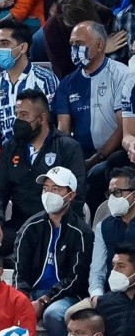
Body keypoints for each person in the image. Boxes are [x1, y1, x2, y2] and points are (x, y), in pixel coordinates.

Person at [0, 89, 87, 254]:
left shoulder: (68, 147)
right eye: (17, 115)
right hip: (19, 224)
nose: (18, 120)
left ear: (42, 118)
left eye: (24, 115)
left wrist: (64, 228)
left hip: (57, 225)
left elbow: (76, 194)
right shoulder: (10, 147)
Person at [55, 21, 133, 212]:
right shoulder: (67, 83)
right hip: (81, 154)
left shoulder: (120, 74)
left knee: (96, 175)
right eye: (72, 44)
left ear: (99, 45)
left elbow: (122, 126)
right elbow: (63, 129)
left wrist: (98, 157)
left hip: (111, 154)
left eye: (79, 44)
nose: (74, 49)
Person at [12, 166, 93, 336]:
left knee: (53, 314)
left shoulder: (81, 232)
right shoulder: (30, 227)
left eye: (56, 189)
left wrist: (44, 299)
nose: (49, 193)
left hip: (65, 296)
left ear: (71, 195)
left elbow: (76, 278)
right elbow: (20, 269)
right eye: (45, 188)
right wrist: (24, 298)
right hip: (30, 293)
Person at [0, 18, 58, 142]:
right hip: (4, 154)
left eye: (5, 43)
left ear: (22, 47)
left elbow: (51, 122)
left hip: (38, 151)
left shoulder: (44, 79)